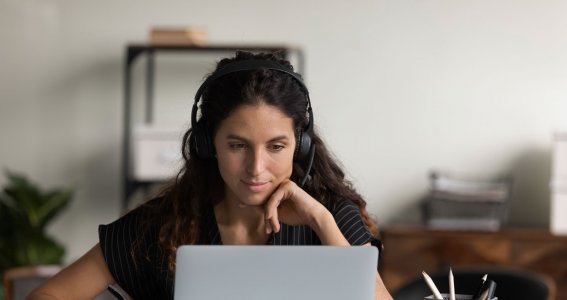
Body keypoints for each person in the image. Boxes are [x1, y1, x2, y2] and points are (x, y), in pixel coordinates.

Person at [28, 51, 393, 300]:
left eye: (276, 147)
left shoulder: (332, 217)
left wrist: (319, 220)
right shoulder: (162, 226)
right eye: (237, 145)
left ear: (301, 146)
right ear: (208, 143)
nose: (256, 168)